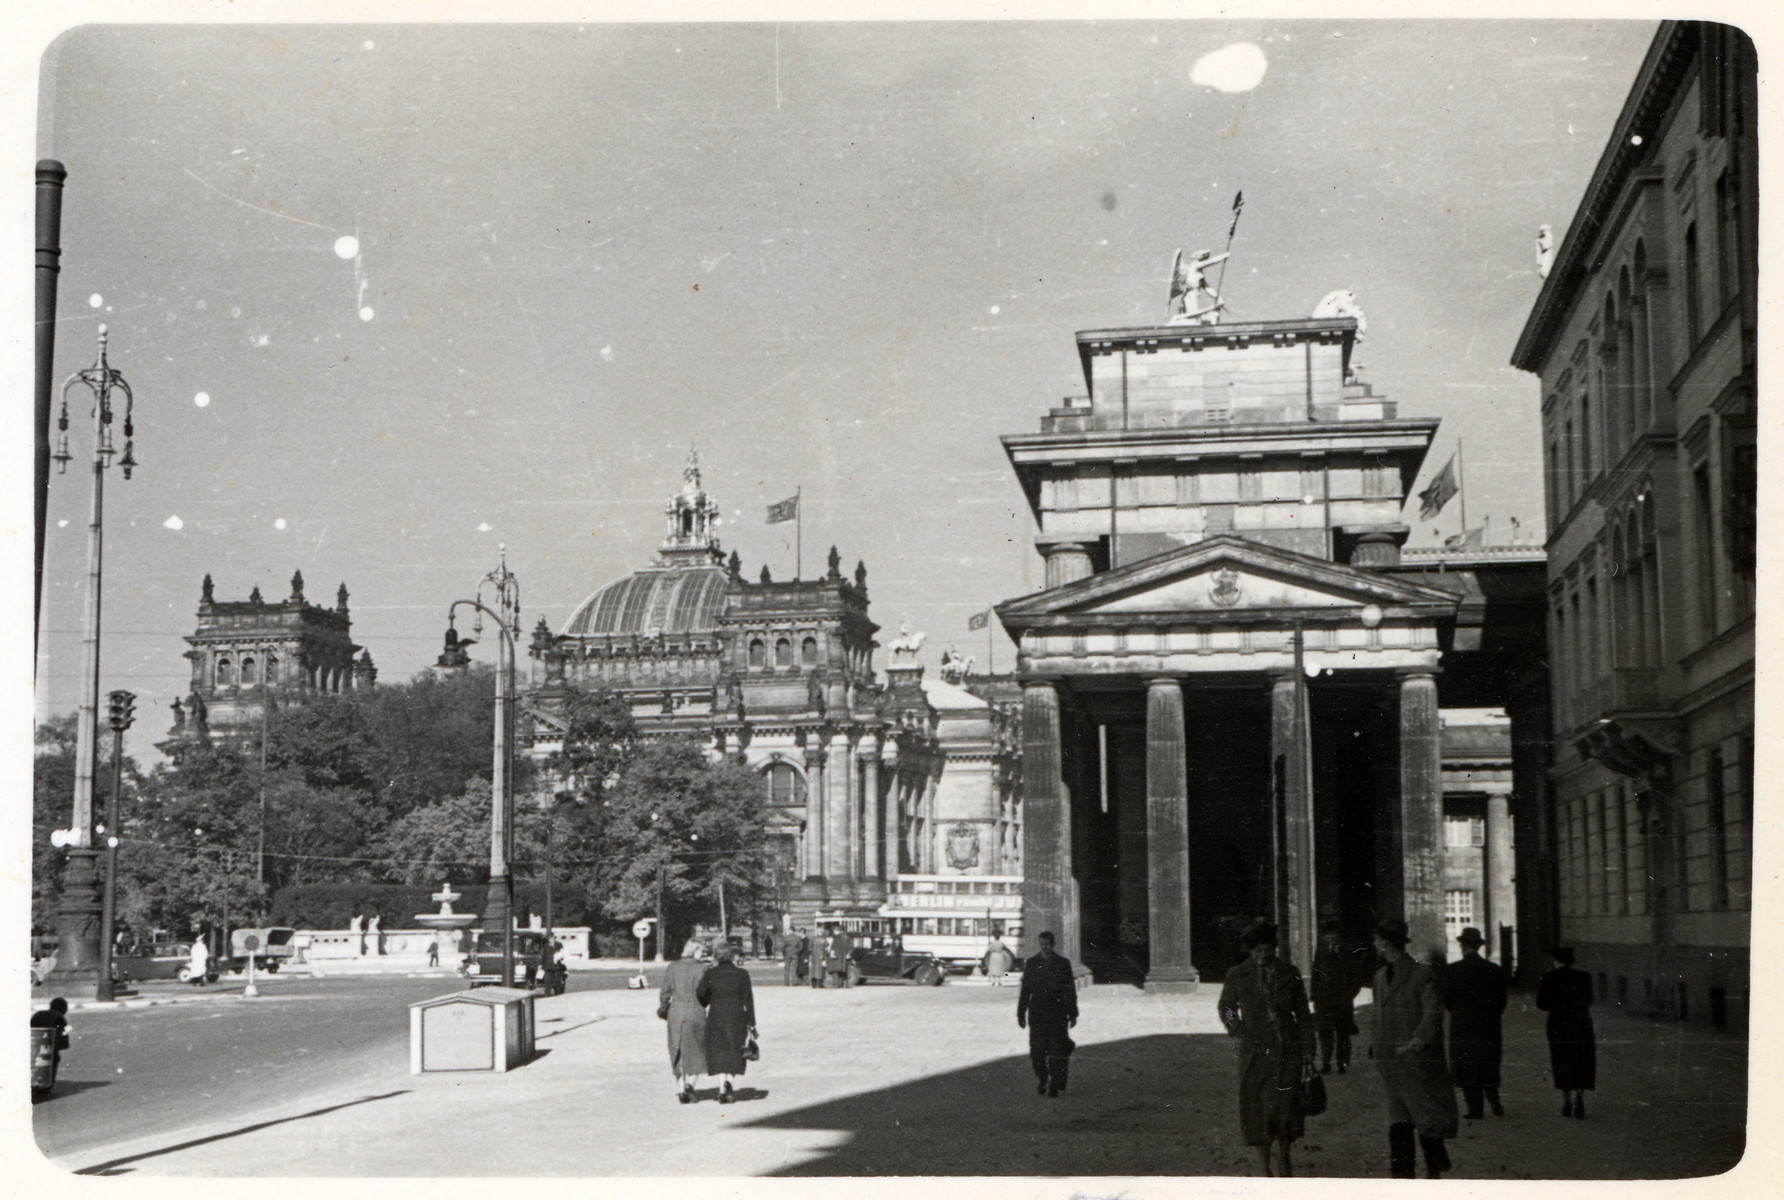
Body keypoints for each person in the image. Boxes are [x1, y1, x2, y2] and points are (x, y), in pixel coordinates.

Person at [1218, 919, 1314, 1177]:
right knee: (1258, 1110)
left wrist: (1307, 1050)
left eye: (1267, 950)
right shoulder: (1237, 974)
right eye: (1258, 951)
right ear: (1250, 951)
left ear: (1274, 948)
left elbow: (1303, 1013)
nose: (1263, 956)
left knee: (1286, 1108)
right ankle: (1263, 1165)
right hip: (1255, 1054)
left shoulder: (1290, 973)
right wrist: (1237, 1029)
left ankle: (1284, 1157)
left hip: (1287, 1052)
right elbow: (1226, 1006)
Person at [1369, 917, 1458, 1179]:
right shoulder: (1379, 977)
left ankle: (1433, 1174)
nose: (1374, 944)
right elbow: (1376, 1015)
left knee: (1426, 1122)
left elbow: (1433, 1012)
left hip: (1417, 1062)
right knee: (1400, 1126)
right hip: (1393, 1064)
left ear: (1385, 944)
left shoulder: (1421, 974)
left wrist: (1417, 1041)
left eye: (1377, 940)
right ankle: (1403, 1183)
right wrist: (1376, 1045)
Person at [1442, 926, 1508, 1119]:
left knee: (1466, 1066)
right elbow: (1501, 1000)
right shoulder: (1494, 970)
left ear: (1462, 946)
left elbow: (1447, 1000)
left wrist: (1459, 1013)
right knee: (1488, 1064)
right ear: (1478, 947)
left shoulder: (1453, 970)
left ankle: (1475, 1109)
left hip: (1462, 1026)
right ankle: (1494, 1101)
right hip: (1488, 1025)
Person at [1016, 930, 1078, 1098]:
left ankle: (1055, 1083)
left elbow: (1070, 989)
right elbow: (1025, 990)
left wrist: (1073, 1013)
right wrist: (1020, 1013)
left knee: (1057, 1049)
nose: (1045, 948)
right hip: (1037, 1012)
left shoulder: (1063, 963)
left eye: (1048, 945)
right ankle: (1042, 1078)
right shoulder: (1032, 963)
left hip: (1058, 1011)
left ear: (1053, 944)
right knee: (1037, 1050)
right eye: (1042, 944)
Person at [1536, 947, 1596, 1119]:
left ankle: (1566, 1100)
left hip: (1558, 1025)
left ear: (1556, 961)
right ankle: (1580, 1096)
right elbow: (1590, 1000)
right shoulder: (1585, 977)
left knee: (1562, 1060)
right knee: (1582, 1061)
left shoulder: (1549, 978)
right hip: (1582, 1024)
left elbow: (1541, 1004)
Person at [697, 942, 757, 1104]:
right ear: (731, 955)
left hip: (716, 1014)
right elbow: (748, 1000)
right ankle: (729, 1082)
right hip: (737, 1015)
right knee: (734, 1049)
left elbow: (701, 993)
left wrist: (708, 1001)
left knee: (718, 1051)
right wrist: (752, 1022)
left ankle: (722, 1088)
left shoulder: (711, 973)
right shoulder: (742, 974)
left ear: (716, 956)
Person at [658, 939, 710, 1103]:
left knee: (676, 1049)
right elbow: (706, 993)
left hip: (676, 1012)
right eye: (702, 951)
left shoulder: (673, 967)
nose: (703, 955)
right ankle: (690, 1085)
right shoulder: (703, 968)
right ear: (695, 951)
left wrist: (665, 1007)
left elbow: (665, 992)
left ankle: (681, 1089)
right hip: (696, 1011)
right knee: (697, 1049)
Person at [1310, 919, 1362, 1074]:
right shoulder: (1321, 951)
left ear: (1339, 936)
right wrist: (1314, 993)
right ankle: (1326, 1062)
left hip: (1342, 999)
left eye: (1334, 935)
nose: (1331, 938)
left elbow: (1356, 976)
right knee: (1324, 1032)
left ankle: (1342, 1063)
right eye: (1328, 935)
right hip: (1324, 999)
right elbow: (1316, 973)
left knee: (1343, 1033)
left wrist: (1350, 994)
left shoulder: (1348, 951)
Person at [30, 997, 71, 1097]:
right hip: (49, 1044)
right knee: (53, 1060)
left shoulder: (38, 1014)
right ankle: (46, 1085)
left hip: (34, 1042)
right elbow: (62, 1035)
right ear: (64, 1009)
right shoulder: (59, 1017)